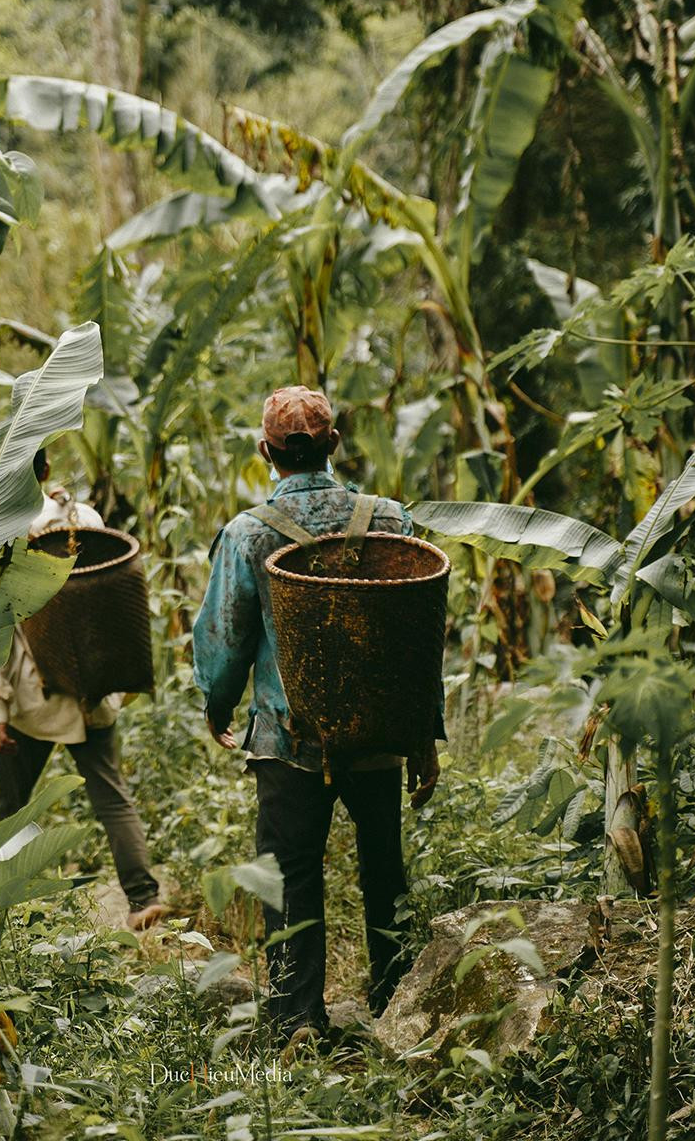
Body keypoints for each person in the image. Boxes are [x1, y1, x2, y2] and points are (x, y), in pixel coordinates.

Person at [192, 386, 444, 1038]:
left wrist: (217, 705)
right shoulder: (389, 519)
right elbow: (419, 632)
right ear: (334, 444)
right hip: (380, 731)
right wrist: (423, 735)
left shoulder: (249, 533)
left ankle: (296, 1016)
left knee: (289, 875)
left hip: (287, 736)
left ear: (265, 452)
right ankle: (396, 1004)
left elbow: (223, 639)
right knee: (383, 872)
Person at [0, 447, 167, 931]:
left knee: (10, 808)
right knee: (112, 797)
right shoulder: (81, 516)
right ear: (45, 471)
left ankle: (7, 909)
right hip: (90, 688)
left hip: (31, 698)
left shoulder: (0, 534)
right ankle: (144, 898)